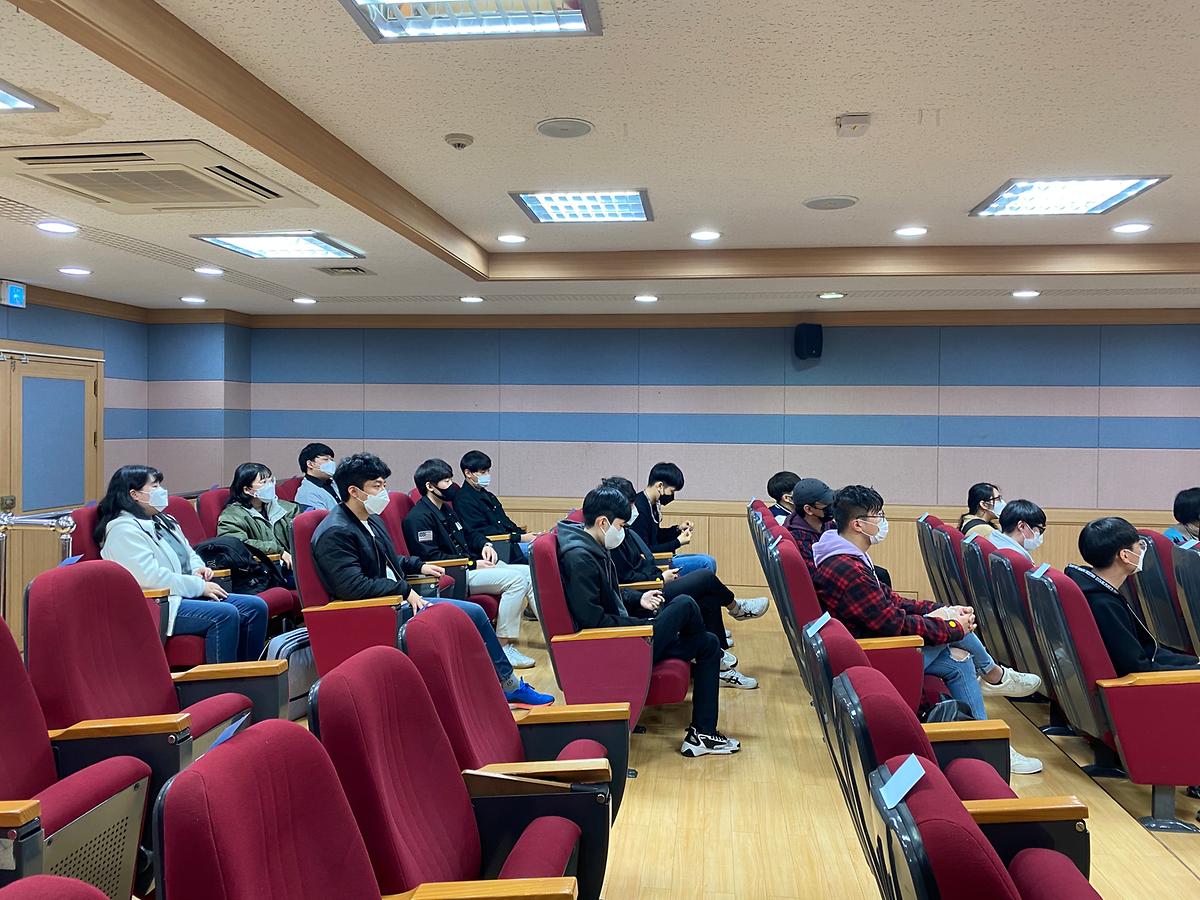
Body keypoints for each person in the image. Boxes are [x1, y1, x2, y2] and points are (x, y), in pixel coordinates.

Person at [813, 484, 1042, 774]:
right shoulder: (848, 568)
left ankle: (986, 739)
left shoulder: (845, 555)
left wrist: (942, 609)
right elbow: (892, 625)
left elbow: (892, 602)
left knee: (960, 661)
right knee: (956, 634)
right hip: (877, 658)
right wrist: (949, 625)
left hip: (881, 648)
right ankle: (995, 676)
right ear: (858, 524)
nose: (882, 521)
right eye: (877, 515)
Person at [312, 452, 551, 706]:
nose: (383, 492)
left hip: (395, 598)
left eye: (384, 485)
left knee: (475, 613)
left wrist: (420, 565)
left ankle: (495, 687)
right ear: (354, 491)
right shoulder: (336, 532)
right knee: (472, 614)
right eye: (376, 486)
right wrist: (405, 591)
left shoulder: (370, 520)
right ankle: (504, 686)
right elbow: (352, 586)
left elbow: (389, 558)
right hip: (378, 610)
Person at [557, 485, 740, 757]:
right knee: (685, 604)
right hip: (615, 646)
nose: (623, 531)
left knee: (708, 643)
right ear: (603, 522)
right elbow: (593, 621)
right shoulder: (580, 558)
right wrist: (639, 626)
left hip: (624, 634)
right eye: (621, 525)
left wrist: (638, 598)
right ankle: (701, 733)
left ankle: (702, 733)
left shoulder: (590, 547)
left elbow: (609, 593)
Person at [601, 476, 765, 688]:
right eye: (629, 505)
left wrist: (661, 569)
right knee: (705, 574)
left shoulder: (623, 530)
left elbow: (641, 561)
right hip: (647, 593)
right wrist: (660, 578)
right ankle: (735, 609)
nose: (633, 510)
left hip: (653, 582)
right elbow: (625, 579)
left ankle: (719, 662)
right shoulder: (610, 539)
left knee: (707, 596)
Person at [96, 465, 268, 663]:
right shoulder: (123, 531)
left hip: (184, 592)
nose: (162, 491)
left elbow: (189, 553)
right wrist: (199, 586)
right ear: (134, 494)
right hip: (158, 605)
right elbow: (150, 579)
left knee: (255, 607)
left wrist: (198, 569)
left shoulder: (164, 520)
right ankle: (223, 678)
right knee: (225, 614)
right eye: (154, 486)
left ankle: (249, 672)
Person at [403, 458, 539, 669]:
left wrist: (484, 544)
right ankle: (502, 647)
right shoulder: (418, 518)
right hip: (454, 573)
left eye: (450, 479)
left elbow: (469, 533)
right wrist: (473, 564)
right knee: (516, 580)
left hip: (469, 564)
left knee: (527, 573)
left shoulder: (446, 509)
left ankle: (553, 632)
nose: (452, 485)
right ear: (430, 486)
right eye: (446, 481)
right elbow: (432, 558)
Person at [1067, 517, 1199, 677]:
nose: (1142, 551)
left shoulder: (1097, 588)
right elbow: (1138, 669)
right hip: (1135, 685)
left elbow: (1148, 651)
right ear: (1125, 555)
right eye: (1139, 546)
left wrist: (1193, 663)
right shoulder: (1103, 603)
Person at [629, 462, 717, 576]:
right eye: (672, 491)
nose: (672, 495)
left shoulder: (652, 504)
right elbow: (645, 550)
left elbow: (656, 536)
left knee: (710, 560)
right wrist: (677, 542)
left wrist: (677, 529)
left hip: (660, 558)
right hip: (651, 564)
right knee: (707, 563)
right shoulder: (639, 509)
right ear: (660, 486)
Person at [217, 463, 299, 578]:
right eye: (263, 482)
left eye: (271, 481)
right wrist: (278, 550)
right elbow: (237, 545)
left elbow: (302, 537)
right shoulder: (231, 516)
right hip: (263, 572)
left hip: (294, 565)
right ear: (247, 489)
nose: (270, 486)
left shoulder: (287, 508)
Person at [455, 449, 536, 562]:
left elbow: (505, 522)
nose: (487, 475)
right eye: (483, 472)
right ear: (468, 473)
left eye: (488, 471)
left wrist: (526, 535)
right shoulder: (463, 500)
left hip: (510, 542)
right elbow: (481, 532)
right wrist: (520, 538)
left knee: (544, 543)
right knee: (541, 550)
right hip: (496, 547)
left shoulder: (488, 495)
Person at [784, 477, 835, 574]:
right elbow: (817, 575)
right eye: (826, 504)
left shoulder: (827, 524)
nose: (831, 507)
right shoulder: (799, 538)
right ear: (808, 509)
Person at [294, 442, 341, 512]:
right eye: (326, 459)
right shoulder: (307, 494)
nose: (331, 463)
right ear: (310, 464)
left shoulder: (332, 483)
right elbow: (321, 518)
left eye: (332, 460)